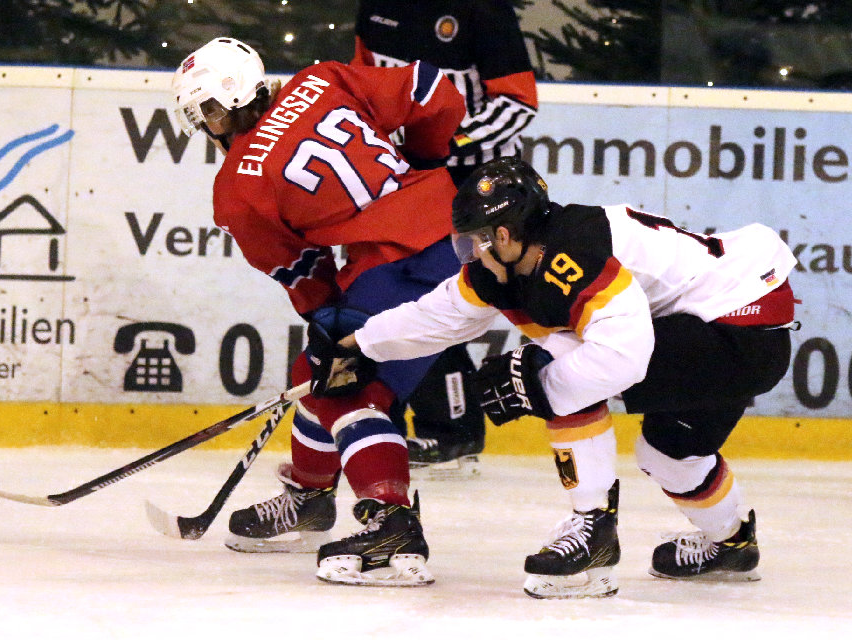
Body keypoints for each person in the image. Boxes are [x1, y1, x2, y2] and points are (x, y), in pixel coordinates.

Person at [308, 157, 798, 598]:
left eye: (471, 240)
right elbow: (440, 317)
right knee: (668, 453)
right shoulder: (510, 262)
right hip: (737, 331)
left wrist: (538, 388)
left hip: (737, 332)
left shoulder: (573, 258)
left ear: (501, 235)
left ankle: (593, 529)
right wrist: (360, 346)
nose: (467, 253)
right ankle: (732, 542)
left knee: (551, 365)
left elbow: (624, 356)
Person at [171, 37, 468, 586]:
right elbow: (435, 91)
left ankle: (392, 523)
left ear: (238, 97)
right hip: (460, 238)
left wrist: (328, 312)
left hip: (399, 264)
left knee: (338, 383)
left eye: (209, 109)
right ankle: (309, 500)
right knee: (314, 376)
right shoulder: (325, 78)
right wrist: (427, 161)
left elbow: (304, 274)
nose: (208, 124)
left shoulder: (237, 185)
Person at [353, 0, 540, 477]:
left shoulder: (482, 10)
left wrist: (442, 141)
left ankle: (455, 428)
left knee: (451, 298)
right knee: (411, 298)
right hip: (410, 179)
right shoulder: (375, 8)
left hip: (478, 187)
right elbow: (360, 86)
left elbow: (517, 103)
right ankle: (448, 427)